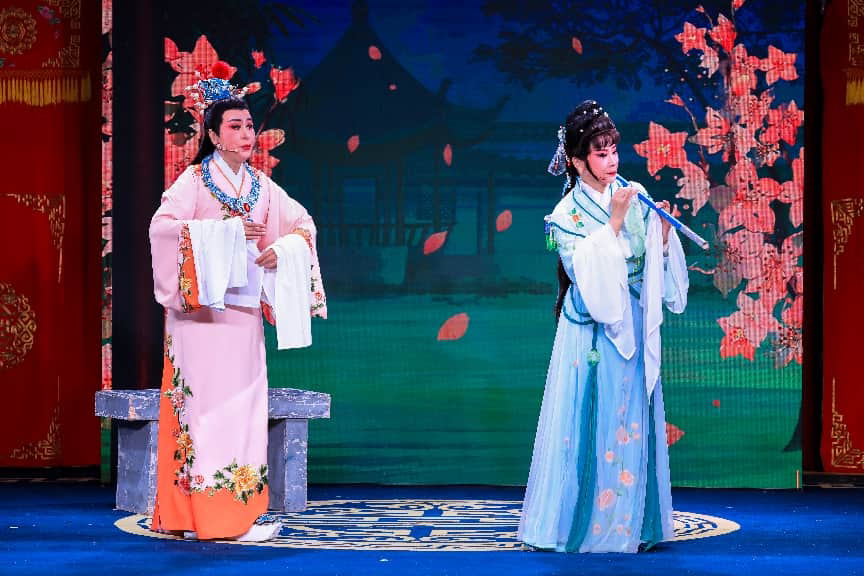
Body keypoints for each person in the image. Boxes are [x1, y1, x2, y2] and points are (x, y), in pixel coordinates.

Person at [148, 74, 326, 542]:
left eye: (249, 125)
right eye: (235, 126)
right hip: (198, 319)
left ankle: (232, 517)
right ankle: (193, 516)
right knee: (199, 412)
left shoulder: (262, 187)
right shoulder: (194, 181)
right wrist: (225, 235)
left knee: (241, 413)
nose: (246, 134)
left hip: (242, 318)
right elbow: (162, 230)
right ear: (213, 135)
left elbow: (303, 225)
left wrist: (281, 250)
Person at [517, 100, 689, 553]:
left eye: (614, 150)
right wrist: (612, 223)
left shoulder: (634, 193)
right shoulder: (564, 215)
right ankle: (585, 525)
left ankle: (633, 523)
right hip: (592, 328)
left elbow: (647, 263)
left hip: (632, 316)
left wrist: (662, 238)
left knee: (631, 415)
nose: (612, 160)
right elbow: (583, 271)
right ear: (577, 161)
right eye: (600, 152)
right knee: (591, 415)